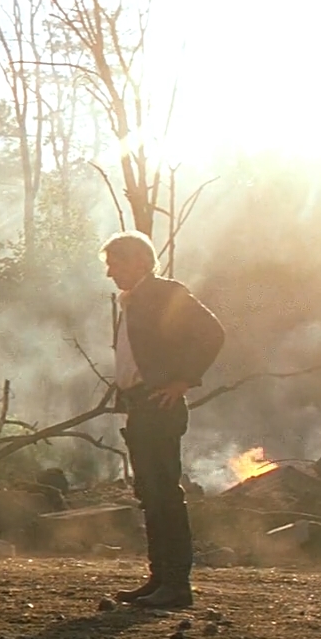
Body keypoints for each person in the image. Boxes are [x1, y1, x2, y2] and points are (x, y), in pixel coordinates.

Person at [102, 231, 224, 609]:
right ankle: (159, 578)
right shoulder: (134, 300)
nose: (110, 272)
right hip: (141, 406)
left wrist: (182, 381)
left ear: (140, 261)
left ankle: (176, 584)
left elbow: (212, 334)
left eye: (116, 263)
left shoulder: (163, 293)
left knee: (164, 495)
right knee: (150, 495)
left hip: (159, 406)